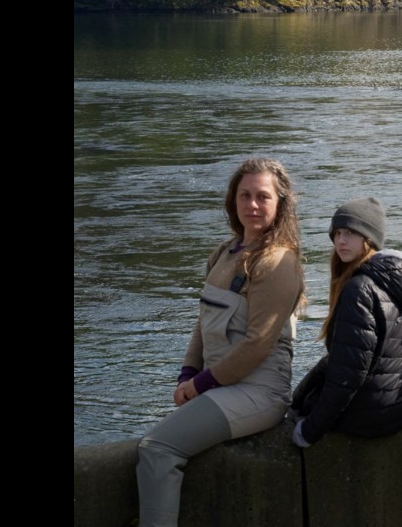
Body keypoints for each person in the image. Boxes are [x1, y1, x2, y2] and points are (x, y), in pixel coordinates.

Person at [136, 158, 304, 527]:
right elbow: (203, 323)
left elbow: (257, 344)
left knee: (158, 449)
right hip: (220, 387)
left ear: (280, 204)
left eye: (263, 196)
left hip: (258, 393)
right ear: (233, 201)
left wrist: (199, 385)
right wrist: (187, 374)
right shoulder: (224, 252)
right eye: (245, 195)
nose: (253, 205)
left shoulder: (278, 262)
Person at [291, 197, 402, 447]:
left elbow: (347, 376)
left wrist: (309, 432)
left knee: (303, 410)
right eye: (337, 233)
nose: (340, 240)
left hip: (373, 417)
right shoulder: (396, 277)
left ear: (369, 238)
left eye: (351, 233)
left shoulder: (359, 288)